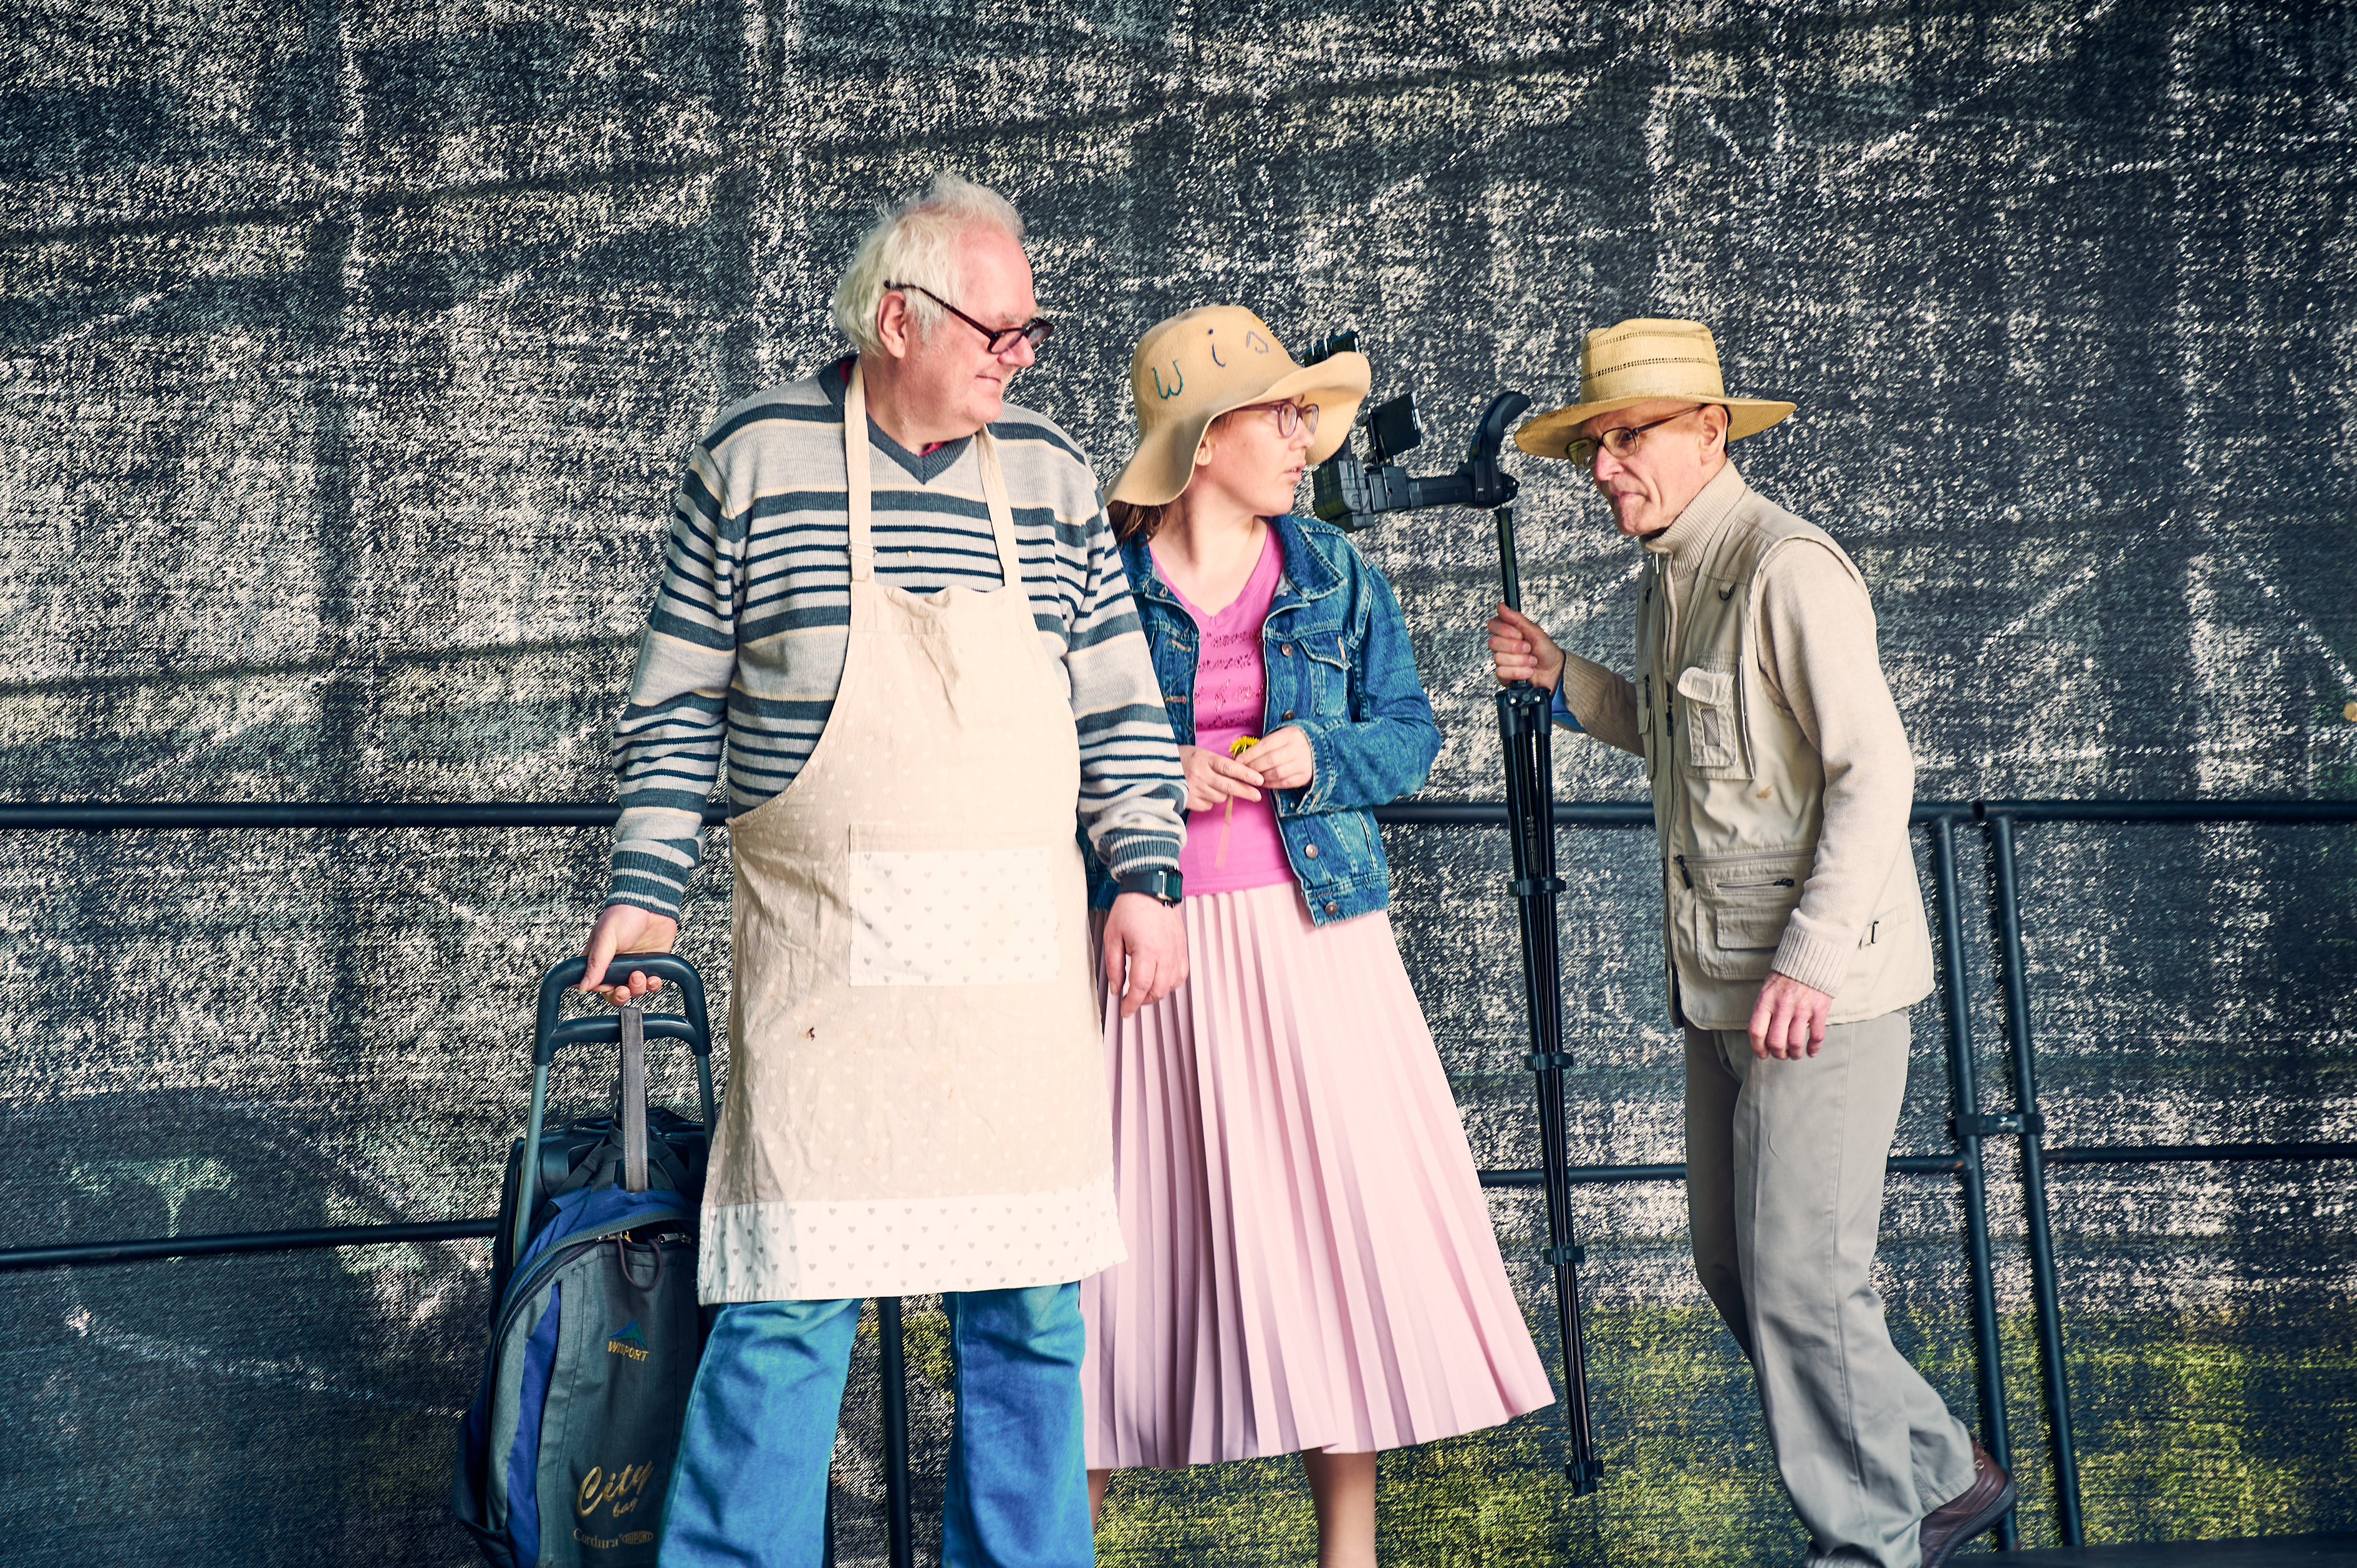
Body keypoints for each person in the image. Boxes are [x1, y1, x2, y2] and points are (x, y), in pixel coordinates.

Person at [574, 174, 1192, 1568]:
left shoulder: (1044, 473)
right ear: (898, 316)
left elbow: (1117, 706)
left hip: (1015, 989)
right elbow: (677, 702)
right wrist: (644, 885)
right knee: (788, 1301)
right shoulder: (753, 456)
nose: (1019, 355)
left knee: (1032, 1313)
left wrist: (1145, 874)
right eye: (1000, 328)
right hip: (828, 976)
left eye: (1032, 334)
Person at [1485, 317, 2015, 1568]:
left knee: (1800, 1282)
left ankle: (1871, 1544)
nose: (1606, 468)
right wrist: (1568, 679)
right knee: (1737, 1270)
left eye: (1630, 440)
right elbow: (1698, 744)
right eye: (1596, 446)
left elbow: (1874, 770)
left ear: (1711, 432)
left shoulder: (1787, 570)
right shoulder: (1674, 573)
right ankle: (1943, 1468)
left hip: (1811, 1001)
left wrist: (1810, 958)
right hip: (1720, 991)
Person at [1082, 305, 1556, 1568]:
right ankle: (1051, 1551)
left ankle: (1349, 1563)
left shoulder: (1337, 574)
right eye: (1278, 416)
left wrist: (1315, 756)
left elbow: (1409, 734)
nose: (1305, 441)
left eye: (1305, 414)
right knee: (1114, 1268)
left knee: (1333, 1248)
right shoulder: (1095, 579)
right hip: (1147, 949)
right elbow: (1038, 747)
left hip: (1314, 941)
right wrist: (1147, 777)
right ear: (1202, 439)